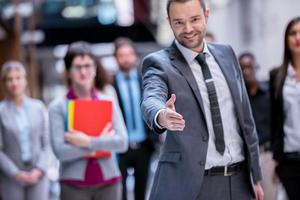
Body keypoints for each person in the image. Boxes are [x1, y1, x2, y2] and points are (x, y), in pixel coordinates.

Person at [140, 0, 264, 199]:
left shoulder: (227, 54)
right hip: (194, 186)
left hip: (240, 182)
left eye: (194, 19)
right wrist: (161, 115)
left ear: (206, 15)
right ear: (169, 22)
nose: (188, 29)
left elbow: (246, 120)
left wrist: (256, 177)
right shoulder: (158, 63)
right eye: (179, 22)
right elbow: (151, 98)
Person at [48, 41, 128, 200]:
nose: (83, 71)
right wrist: (102, 144)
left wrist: (86, 141)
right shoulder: (58, 107)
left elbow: (122, 143)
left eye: (88, 65)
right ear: (68, 71)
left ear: (95, 69)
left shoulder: (108, 100)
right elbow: (60, 152)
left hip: (109, 181)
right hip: (73, 185)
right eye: (77, 67)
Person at [112, 37, 157, 200]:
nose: (126, 58)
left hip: (144, 146)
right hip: (120, 148)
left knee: (142, 193)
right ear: (115, 58)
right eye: (121, 55)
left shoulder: (146, 81)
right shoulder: (109, 85)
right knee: (120, 193)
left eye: (129, 54)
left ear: (135, 56)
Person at [0, 61, 50, 200]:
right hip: (11, 177)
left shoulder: (38, 107)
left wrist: (39, 169)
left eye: (18, 78)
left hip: (38, 173)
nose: (14, 83)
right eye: (10, 79)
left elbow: (47, 143)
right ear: (4, 83)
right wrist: (16, 173)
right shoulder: (1, 111)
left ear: (25, 80)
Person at [239, 52, 277, 200]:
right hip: (245, 158)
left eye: (249, 67)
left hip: (266, 155)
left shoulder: (269, 95)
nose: (246, 71)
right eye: (242, 68)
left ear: (256, 68)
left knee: (269, 196)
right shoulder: (239, 99)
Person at [269, 16, 300, 200]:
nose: (297, 38)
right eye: (293, 33)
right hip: (288, 158)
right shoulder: (277, 76)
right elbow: (275, 119)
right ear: (286, 39)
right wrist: (275, 157)